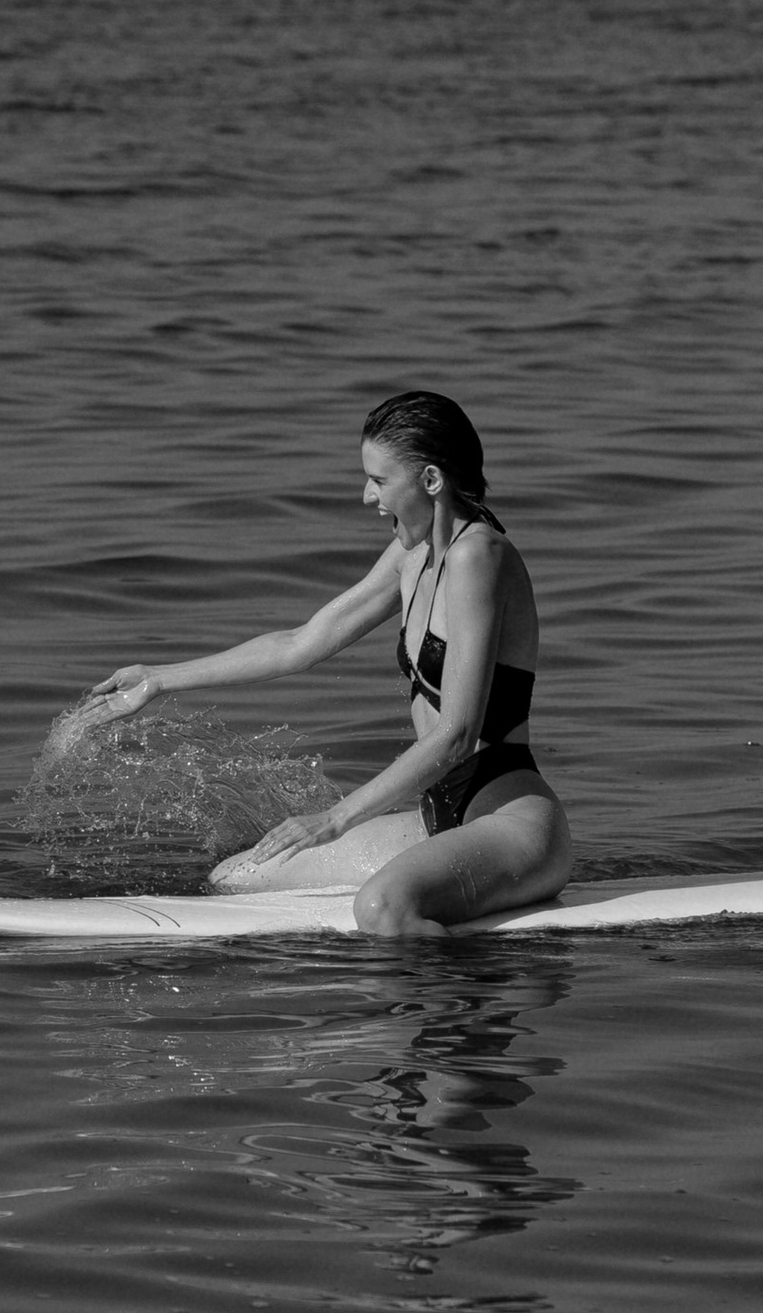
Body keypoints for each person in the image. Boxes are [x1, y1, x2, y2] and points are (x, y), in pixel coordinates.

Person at [74, 390, 572, 940]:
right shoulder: (412, 554)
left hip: (509, 820)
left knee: (381, 909)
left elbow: (457, 735)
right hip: (439, 816)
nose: (367, 496)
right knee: (237, 877)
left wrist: (334, 820)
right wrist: (159, 678)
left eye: (379, 480)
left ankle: (471, 986)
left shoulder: (479, 556)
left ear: (431, 480)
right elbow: (300, 642)